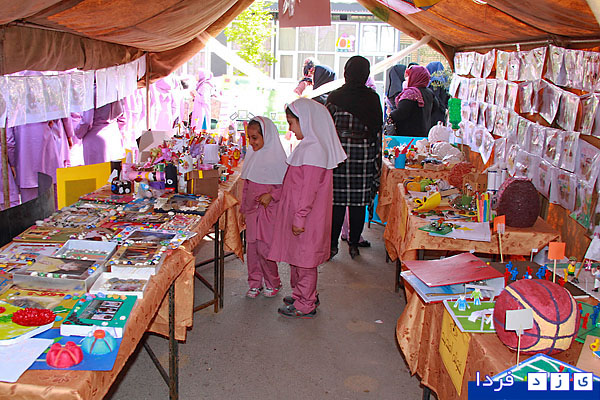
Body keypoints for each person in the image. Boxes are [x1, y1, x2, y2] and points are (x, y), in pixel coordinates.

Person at [269, 98, 346, 318]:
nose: (290, 129)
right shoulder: (307, 147)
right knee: (298, 258)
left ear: (306, 120)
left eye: (292, 123)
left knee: (304, 261)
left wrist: (300, 217)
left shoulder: (314, 151)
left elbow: (308, 191)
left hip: (307, 218)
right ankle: (302, 293)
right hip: (300, 215)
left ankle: (306, 303)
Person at [326, 55, 383, 259]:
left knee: (337, 203)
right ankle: (353, 244)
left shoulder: (335, 97)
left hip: (339, 156)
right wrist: (377, 164)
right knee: (358, 204)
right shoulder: (372, 98)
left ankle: (332, 246)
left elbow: (326, 129)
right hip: (363, 156)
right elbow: (378, 132)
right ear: (365, 74)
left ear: (346, 72)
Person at [240, 116, 287, 298]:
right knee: (252, 249)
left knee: (266, 250)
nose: (251, 142)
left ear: (267, 137)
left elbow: (286, 189)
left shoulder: (279, 160)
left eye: (255, 138)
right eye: (249, 138)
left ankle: (273, 282)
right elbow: (246, 186)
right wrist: (243, 210)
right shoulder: (252, 157)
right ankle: (255, 282)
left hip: (270, 214)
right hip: (252, 212)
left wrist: (272, 195)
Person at [389, 65, 438, 137]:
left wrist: (390, 115)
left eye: (409, 75)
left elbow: (401, 112)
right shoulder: (429, 92)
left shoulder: (411, 93)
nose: (407, 78)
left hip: (407, 135)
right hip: (424, 132)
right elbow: (435, 107)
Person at [426, 61, 450, 127]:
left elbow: (435, 97)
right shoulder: (444, 82)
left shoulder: (435, 83)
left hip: (436, 113)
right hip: (442, 112)